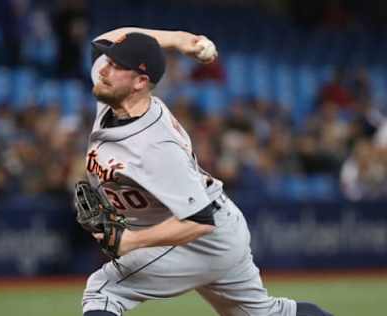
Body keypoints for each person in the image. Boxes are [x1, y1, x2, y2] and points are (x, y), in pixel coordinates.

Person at [81, 27, 333, 316]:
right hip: (220, 229)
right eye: (108, 62)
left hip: (200, 240)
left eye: (115, 65)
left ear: (140, 81)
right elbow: (107, 39)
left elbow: (200, 221)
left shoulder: (156, 146)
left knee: (104, 290)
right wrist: (178, 40)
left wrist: (132, 241)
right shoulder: (114, 96)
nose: (103, 69)